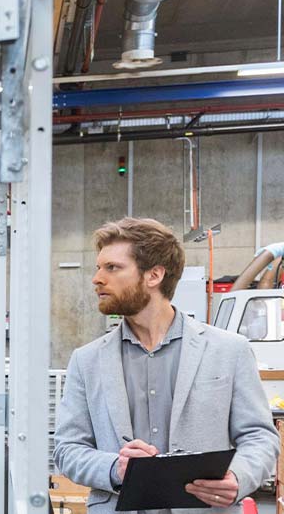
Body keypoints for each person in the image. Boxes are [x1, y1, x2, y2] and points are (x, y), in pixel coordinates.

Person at [55, 218, 279, 513]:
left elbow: (259, 437)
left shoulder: (229, 350)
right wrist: (115, 467)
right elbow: (67, 449)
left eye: (112, 268)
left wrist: (238, 476)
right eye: (99, 268)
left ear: (154, 275)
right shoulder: (87, 361)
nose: (97, 278)